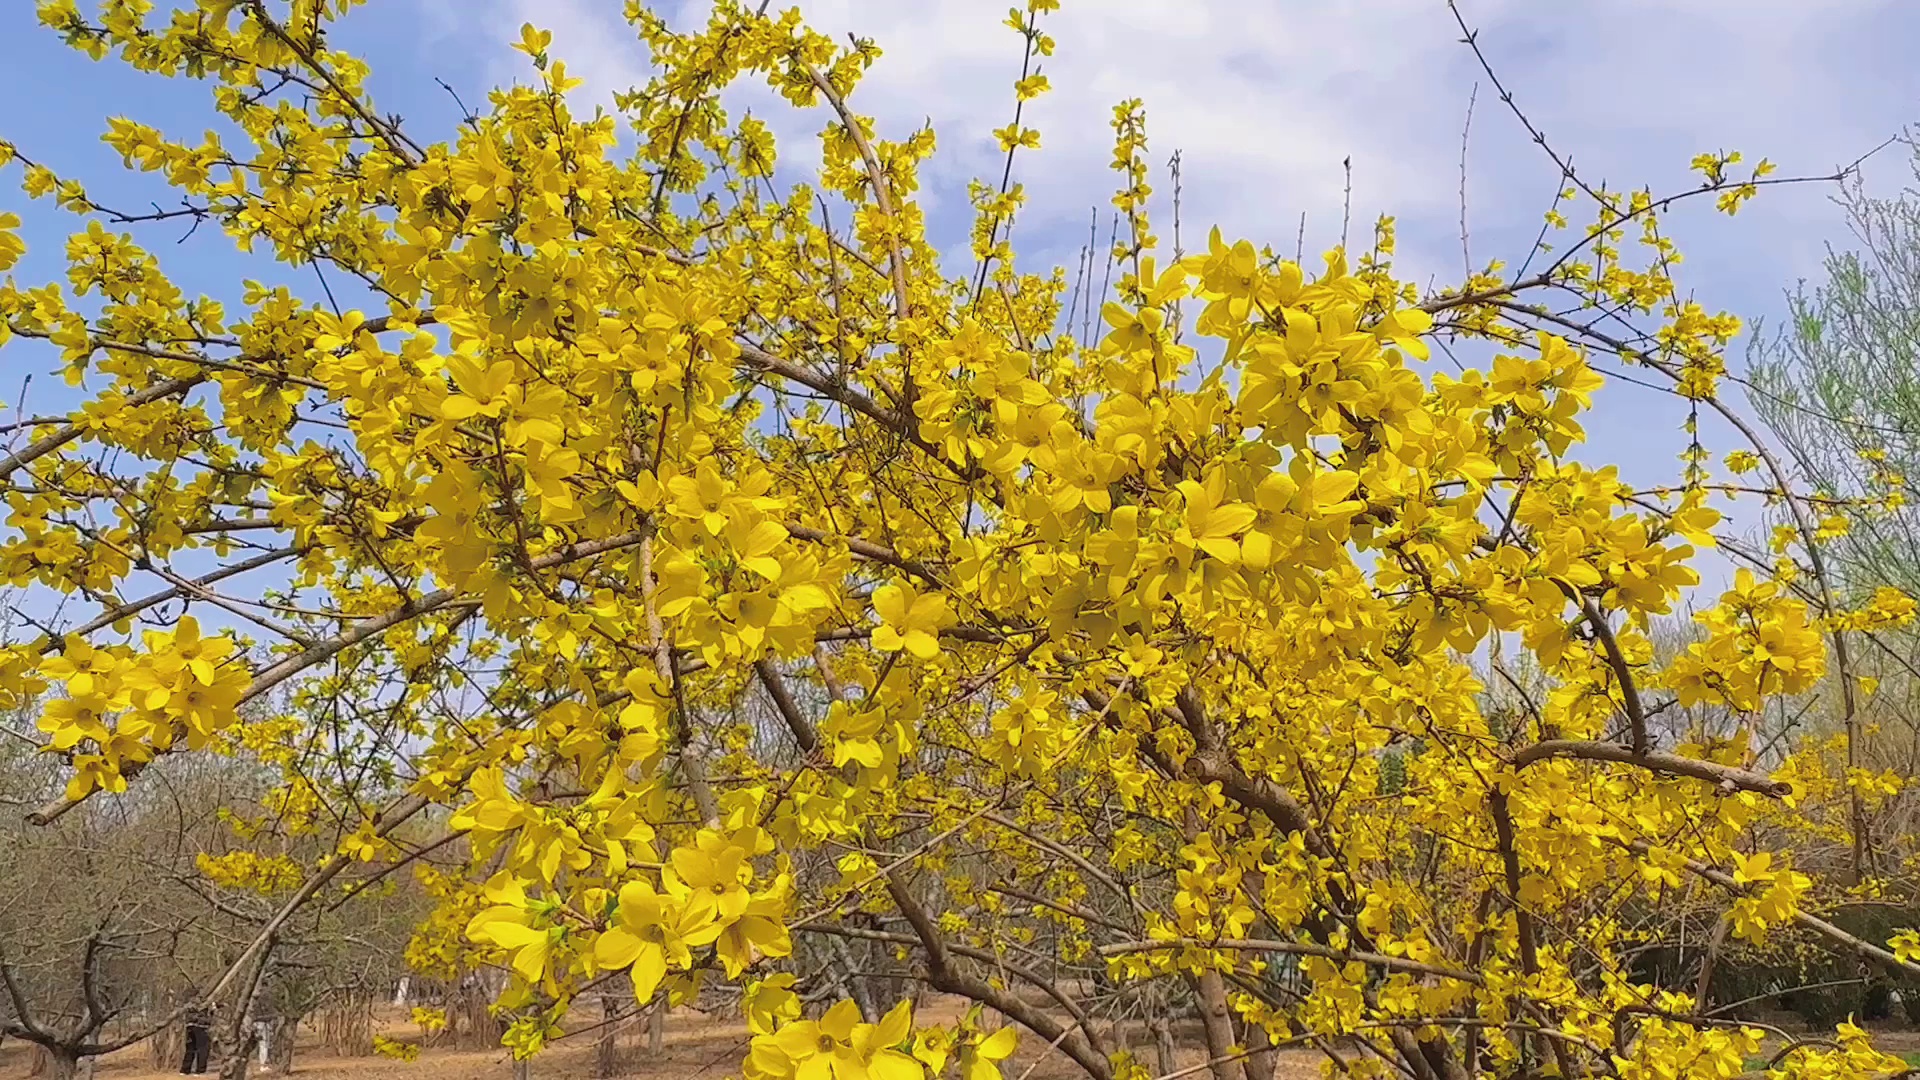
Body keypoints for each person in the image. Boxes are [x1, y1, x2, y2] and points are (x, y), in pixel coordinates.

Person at [181, 1000, 212, 1075]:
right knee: (203, 1048)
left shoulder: (191, 998)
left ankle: (185, 1070)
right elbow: (213, 1007)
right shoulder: (208, 999)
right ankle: (200, 1071)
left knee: (190, 1048)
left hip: (190, 1026)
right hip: (201, 1026)